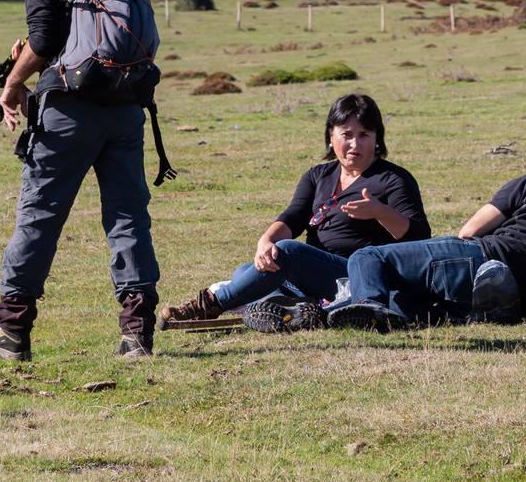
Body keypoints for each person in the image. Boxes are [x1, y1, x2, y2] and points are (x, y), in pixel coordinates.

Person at [0, 0, 164, 363]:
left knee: (40, 215)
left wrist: (14, 82)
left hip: (68, 111)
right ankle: (136, 335)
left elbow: (45, 38)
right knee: (127, 217)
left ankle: (12, 330)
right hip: (124, 106)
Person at [160, 92, 430, 329]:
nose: (355, 145)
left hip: (359, 277)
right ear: (330, 136)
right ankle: (300, 307)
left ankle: (208, 304)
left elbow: (419, 237)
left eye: (364, 135)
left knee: (287, 252)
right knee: (247, 269)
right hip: (314, 276)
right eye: (347, 135)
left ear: (377, 138)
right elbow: (294, 216)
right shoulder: (318, 175)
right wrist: (265, 241)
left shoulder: (393, 179)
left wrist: (379, 212)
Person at [329, 143, 526, 330]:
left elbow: (469, 231)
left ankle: (367, 308)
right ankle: (367, 308)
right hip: (518, 300)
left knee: (368, 256)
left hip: (482, 260)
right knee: (411, 302)